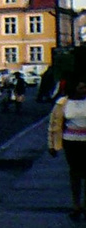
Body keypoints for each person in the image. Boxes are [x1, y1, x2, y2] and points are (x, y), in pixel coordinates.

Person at [49, 78, 86, 221]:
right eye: (81, 88)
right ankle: (76, 205)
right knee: (75, 173)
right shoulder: (63, 103)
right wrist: (52, 145)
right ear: (74, 89)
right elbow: (54, 125)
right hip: (71, 142)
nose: (84, 91)